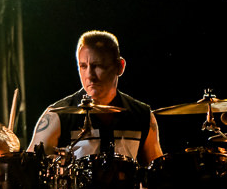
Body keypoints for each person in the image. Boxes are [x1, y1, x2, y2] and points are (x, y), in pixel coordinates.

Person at [27, 30, 163, 163]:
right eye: (83, 66)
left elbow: (157, 173)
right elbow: (30, 168)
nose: (89, 75)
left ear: (120, 66)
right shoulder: (58, 115)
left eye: (97, 66)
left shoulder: (142, 115)